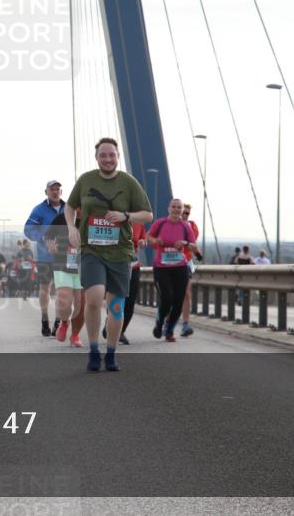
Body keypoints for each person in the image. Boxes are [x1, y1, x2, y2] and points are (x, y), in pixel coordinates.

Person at [66, 137, 152, 372]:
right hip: (92, 250)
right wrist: (72, 227)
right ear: (96, 158)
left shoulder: (129, 182)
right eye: (103, 155)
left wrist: (126, 216)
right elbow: (70, 205)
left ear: (117, 157)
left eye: (111, 155)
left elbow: (147, 214)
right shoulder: (86, 180)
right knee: (93, 298)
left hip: (120, 253)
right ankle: (94, 349)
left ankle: (111, 352)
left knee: (116, 308)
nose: (107, 159)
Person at [149, 199, 198, 342]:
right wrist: (155, 241)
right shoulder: (160, 223)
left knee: (178, 301)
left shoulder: (185, 226)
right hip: (161, 267)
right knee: (167, 298)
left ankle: (169, 331)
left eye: (179, 208)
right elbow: (148, 236)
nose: (176, 209)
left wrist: (185, 243)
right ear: (169, 208)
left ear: (182, 210)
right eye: (174, 207)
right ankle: (159, 323)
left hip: (180, 267)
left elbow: (194, 247)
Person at [23, 180, 65, 335]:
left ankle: (58, 322)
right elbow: (28, 229)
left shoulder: (68, 208)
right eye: (52, 189)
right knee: (45, 288)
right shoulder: (39, 210)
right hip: (45, 256)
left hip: (65, 257)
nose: (55, 191)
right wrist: (44, 239)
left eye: (57, 189)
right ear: (46, 192)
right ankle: (45, 319)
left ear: (61, 191)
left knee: (62, 290)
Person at [45, 212, 85, 347]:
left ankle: (75, 335)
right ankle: (64, 322)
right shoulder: (63, 217)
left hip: (84, 265)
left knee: (80, 306)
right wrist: (50, 245)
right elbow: (48, 234)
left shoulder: (93, 217)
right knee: (64, 300)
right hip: (62, 263)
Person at [178, 203, 203, 337]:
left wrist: (198, 253)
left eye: (187, 213)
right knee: (171, 296)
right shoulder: (169, 224)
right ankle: (165, 321)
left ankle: (186, 324)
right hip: (170, 262)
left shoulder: (192, 226)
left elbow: (193, 244)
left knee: (186, 294)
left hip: (186, 262)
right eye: (183, 213)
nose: (185, 215)